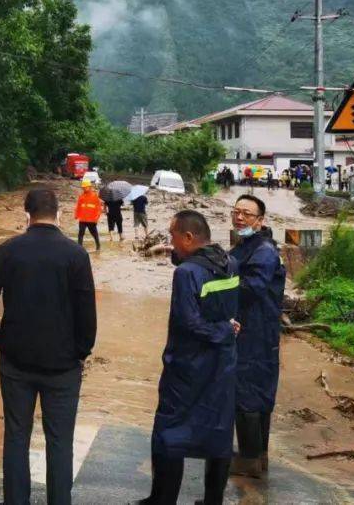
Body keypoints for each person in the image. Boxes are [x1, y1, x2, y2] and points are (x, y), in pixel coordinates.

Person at [0, 188, 96, 505]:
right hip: (63, 367)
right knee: (60, 442)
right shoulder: (76, 255)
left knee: (16, 437)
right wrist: (79, 353)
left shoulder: (9, 250)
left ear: (26, 215)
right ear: (59, 214)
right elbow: (87, 314)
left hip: (16, 362)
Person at [135, 210, 240, 505]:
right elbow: (232, 309)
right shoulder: (231, 263)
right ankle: (212, 501)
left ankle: (162, 499)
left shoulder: (186, 273)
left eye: (173, 236)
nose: (171, 242)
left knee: (169, 432)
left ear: (189, 237)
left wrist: (222, 330)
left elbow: (188, 321)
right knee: (219, 431)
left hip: (188, 367)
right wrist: (229, 329)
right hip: (222, 364)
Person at [228, 194, 286, 478]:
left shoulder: (262, 251)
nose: (239, 217)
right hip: (258, 329)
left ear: (260, 220)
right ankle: (258, 455)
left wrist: (217, 283)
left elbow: (251, 288)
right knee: (259, 393)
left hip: (255, 332)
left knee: (247, 392)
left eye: (247, 214)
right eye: (236, 211)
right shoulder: (248, 246)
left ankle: (249, 459)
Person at [74, 178, 103, 251]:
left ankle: (98, 246)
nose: (84, 188)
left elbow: (98, 208)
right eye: (83, 187)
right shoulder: (81, 196)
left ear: (89, 187)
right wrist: (76, 215)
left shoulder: (94, 196)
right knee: (80, 233)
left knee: (94, 233)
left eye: (85, 187)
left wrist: (96, 218)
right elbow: (78, 206)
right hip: (83, 219)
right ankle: (79, 248)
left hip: (91, 219)